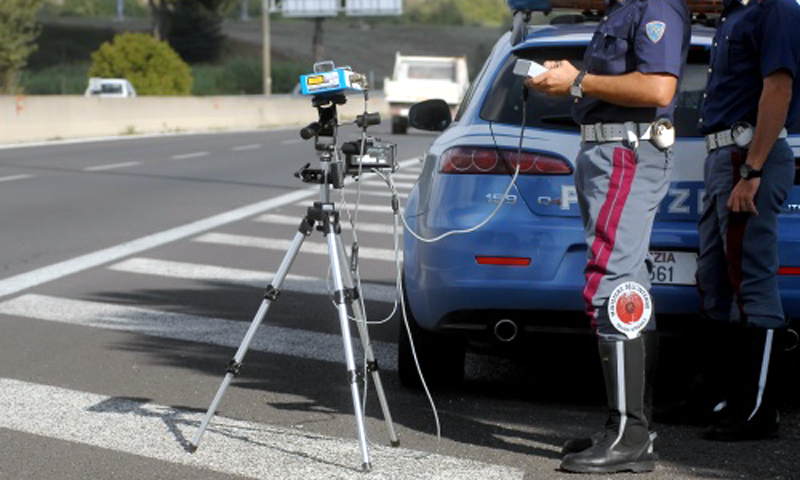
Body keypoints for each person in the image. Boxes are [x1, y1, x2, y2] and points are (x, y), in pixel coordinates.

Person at [526, 0, 690, 473]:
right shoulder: (625, 8)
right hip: (606, 149)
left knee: (612, 282)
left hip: (626, 149)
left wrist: (577, 80)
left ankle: (629, 435)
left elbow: (658, 86)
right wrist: (572, 79)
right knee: (627, 282)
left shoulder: (656, 5)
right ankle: (630, 429)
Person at [695, 0, 800, 441]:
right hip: (723, 155)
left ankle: (758, 409)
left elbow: (778, 89)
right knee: (714, 280)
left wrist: (752, 171)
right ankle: (715, 399)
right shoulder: (733, 13)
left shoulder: (774, 8)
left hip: (748, 155)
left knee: (752, 281)